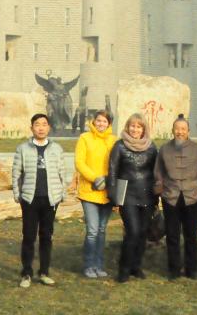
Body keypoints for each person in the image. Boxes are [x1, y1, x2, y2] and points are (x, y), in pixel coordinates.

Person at [12, 113, 68, 288]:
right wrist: (17, 194)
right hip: (30, 199)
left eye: (44, 124)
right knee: (29, 236)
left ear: (49, 127)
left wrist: (62, 193)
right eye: (37, 124)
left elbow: (62, 172)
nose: (41, 128)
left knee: (46, 236)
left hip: (50, 200)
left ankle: (44, 272)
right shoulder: (23, 149)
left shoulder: (56, 149)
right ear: (32, 128)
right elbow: (16, 173)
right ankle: (26, 273)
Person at [154, 115, 197, 280]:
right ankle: (174, 270)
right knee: (172, 235)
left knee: (190, 235)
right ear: (173, 130)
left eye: (183, 129)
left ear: (188, 131)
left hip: (192, 196)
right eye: (177, 129)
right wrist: (160, 189)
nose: (180, 132)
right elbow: (158, 172)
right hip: (171, 196)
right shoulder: (164, 149)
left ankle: (192, 269)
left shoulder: (196, 149)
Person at [108, 113, 158, 283]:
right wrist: (113, 196)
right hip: (127, 195)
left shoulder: (151, 147)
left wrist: (157, 195)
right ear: (127, 127)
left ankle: (136, 267)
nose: (135, 130)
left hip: (147, 195)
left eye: (139, 127)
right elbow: (113, 171)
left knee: (143, 233)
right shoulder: (119, 146)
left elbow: (156, 172)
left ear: (144, 129)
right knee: (133, 231)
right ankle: (124, 269)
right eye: (132, 126)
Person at [75, 110, 116, 279]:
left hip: (107, 192)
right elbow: (79, 162)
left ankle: (99, 265)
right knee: (92, 230)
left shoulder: (113, 140)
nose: (101, 124)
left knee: (101, 229)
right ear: (94, 122)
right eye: (98, 120)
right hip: (89, 191)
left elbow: (116, 163)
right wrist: (95, 178)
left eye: (104, 121)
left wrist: (108, 180)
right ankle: (89, 265)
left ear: (109, 124)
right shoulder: (85, 138)